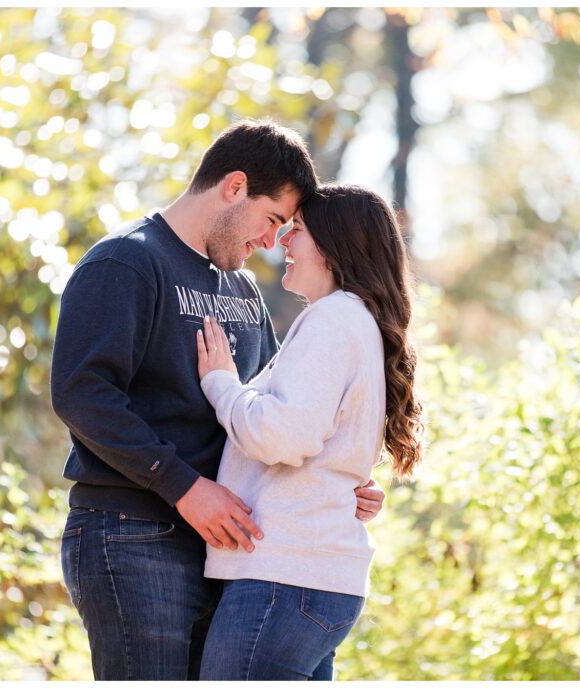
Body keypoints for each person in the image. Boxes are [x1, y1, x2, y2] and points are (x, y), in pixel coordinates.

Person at [50, 120, 386, 681]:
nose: (273, 242)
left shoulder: (243, 292)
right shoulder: (126, 263)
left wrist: (335, 476)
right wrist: (183, 487)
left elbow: (276, 410)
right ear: (234, 187)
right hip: (132, 532)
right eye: (273, 219)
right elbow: (82, 394)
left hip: (226, 546)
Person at [194, 184, 425, 680]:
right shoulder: (354, 321)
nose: (282, 243)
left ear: (333, 246)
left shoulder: (333, 320)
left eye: (296, 230)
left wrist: (221, 384)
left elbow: (285, 435)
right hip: (309, 580)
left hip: (285, 577)